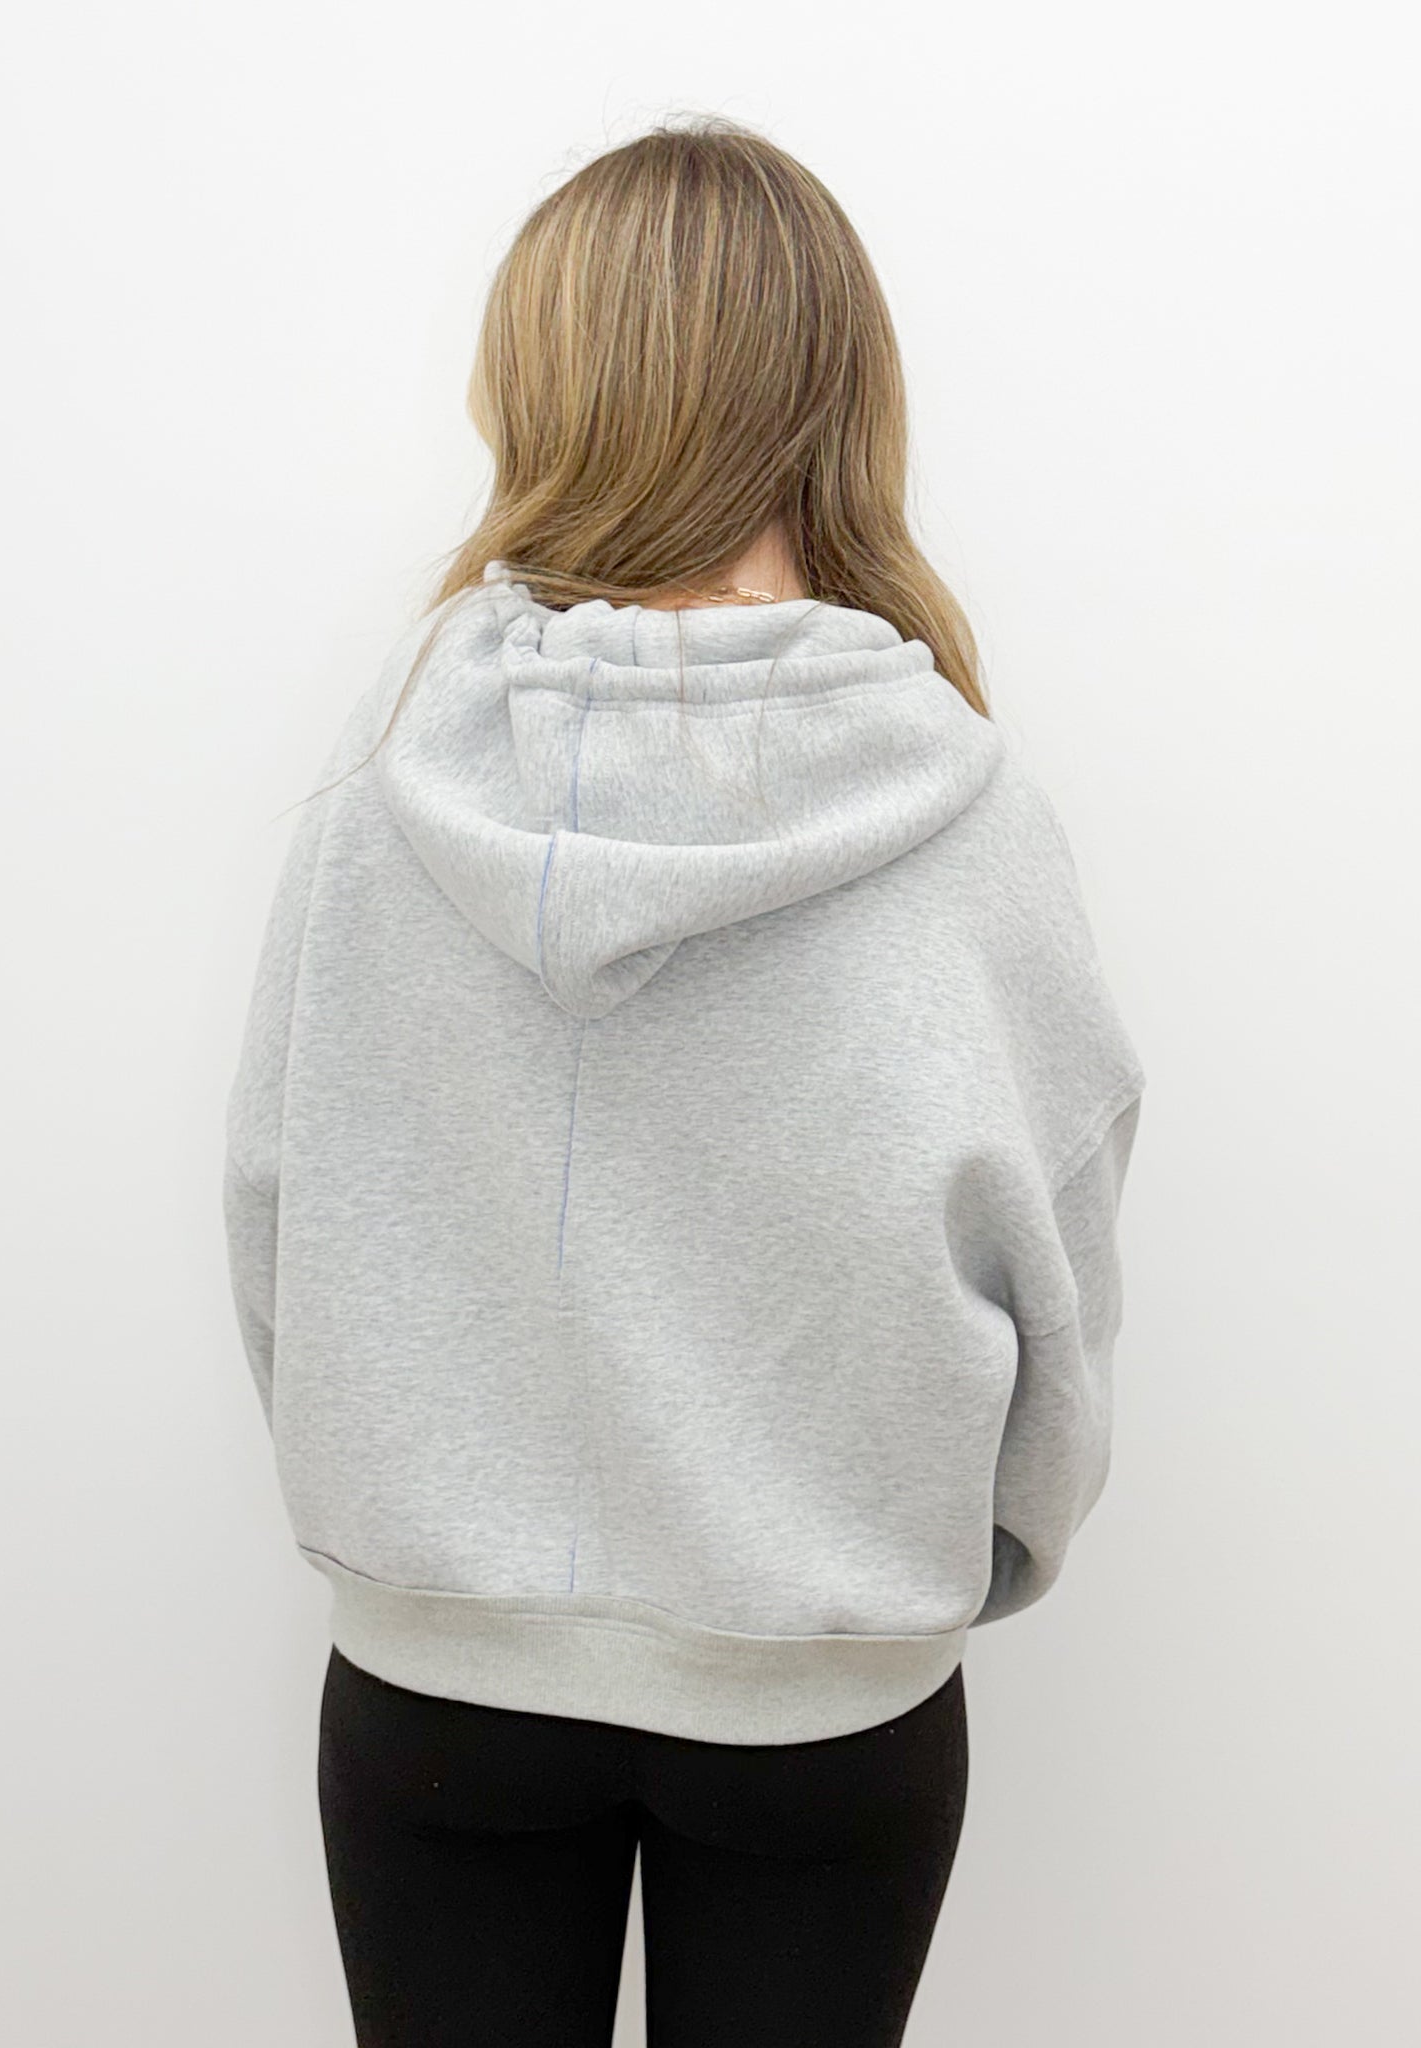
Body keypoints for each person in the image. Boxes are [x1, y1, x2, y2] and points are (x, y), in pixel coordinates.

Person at [222, 114, 1146, 2048]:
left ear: (544, 384)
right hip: (825, 1696)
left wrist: (411, 1508)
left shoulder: (386, 778)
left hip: (437, 1678)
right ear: (840, 397)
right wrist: (951, 1572)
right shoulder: (969, 815)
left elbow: (278, 1203)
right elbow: (1055, 1271)